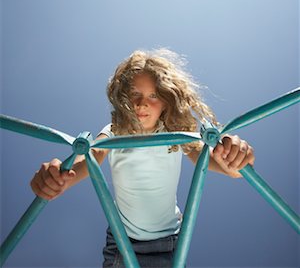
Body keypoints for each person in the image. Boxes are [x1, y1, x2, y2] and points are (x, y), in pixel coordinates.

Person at [30, 49, 255, 268]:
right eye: (135, 94)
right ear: (123, 98)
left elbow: (216, 164)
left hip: (169, 243)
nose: (142, 103)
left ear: (167, 100)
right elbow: (91, 156)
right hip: (122, 241)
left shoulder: (174, 134)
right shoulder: (115, 131)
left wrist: (235, 160)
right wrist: (61, 178)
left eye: (153, 95)